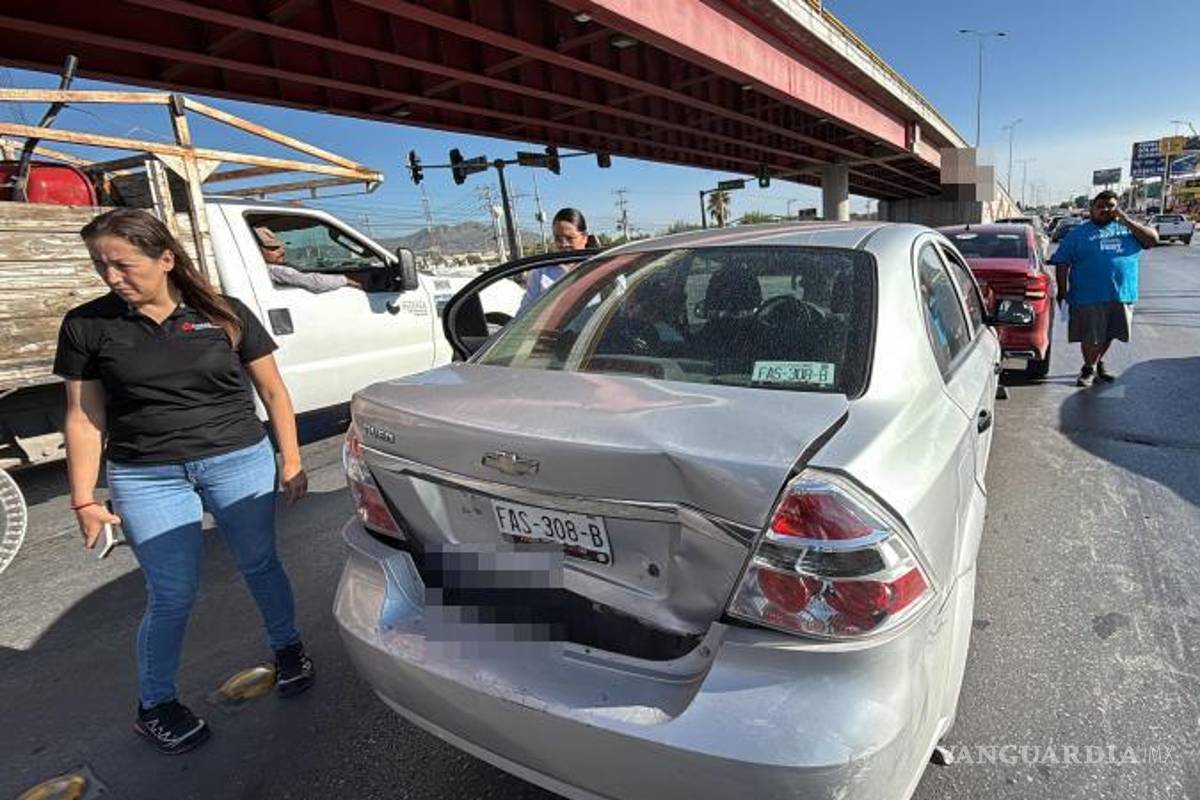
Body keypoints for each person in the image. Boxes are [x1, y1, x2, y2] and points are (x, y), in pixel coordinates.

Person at [54, 209, 314, 756]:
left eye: (123, 265)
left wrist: (290, 459)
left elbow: (273, 392)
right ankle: (155, 705)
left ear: (166, 259)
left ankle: (288, 648)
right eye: (101, 266)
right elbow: (83, 418)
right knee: (170, 593)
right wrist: (82, 498)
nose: (111, 277)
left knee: (260, 563)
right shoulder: (87, 325)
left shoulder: (223, 314)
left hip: (238, 459)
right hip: (146, 474)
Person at [1049, 190, 1158, 387]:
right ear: (1092, 209)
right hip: (1088, 295)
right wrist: (1062, 291)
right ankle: (1088, 368)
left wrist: (1125, 220)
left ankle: (1097, 361)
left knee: (1110, 333)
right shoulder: (1077, 234)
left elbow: (1152, 240)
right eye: (1100, 206)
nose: (1105, 210)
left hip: (1122, 294)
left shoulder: (1127, 230)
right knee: (1091, 335)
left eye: (1110, 206)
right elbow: (1062, 263)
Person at [517, 207, 598, 314]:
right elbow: (524, 315)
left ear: (585, 237)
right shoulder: (541, 273)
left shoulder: (601, 266)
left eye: (569, 238)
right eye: (558, 239)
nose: (563, 244)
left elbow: (620, 301)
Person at [255, 225, 363, 293]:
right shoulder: (274, 270)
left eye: (282, 247)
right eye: (273, 248)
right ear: (256, 250)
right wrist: (347, 280)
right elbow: (314, 282)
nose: (282, 251)